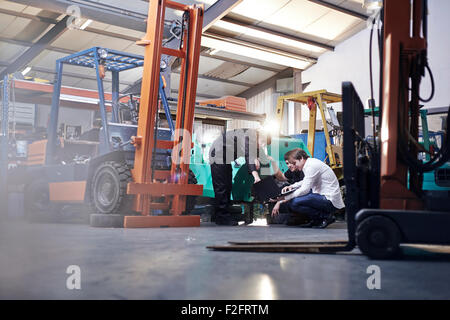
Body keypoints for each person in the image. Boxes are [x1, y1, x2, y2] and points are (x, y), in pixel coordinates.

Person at [209, 128, 272, 226]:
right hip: (218, 155)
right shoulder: (250, 135)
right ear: (260, 135)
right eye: (262, 142)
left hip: (225, 158)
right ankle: (221, 217)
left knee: (228, 185)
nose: (261, 145)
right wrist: (256, 177)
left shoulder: (254, 142)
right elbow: (249, 155)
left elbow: (258, 157)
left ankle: (220, 214)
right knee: (222, 186)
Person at [272, 148, 344, 228]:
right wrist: (292, 186)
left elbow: (304, 190)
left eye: (295, 163)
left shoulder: (311, 166)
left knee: (295, 202)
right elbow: (306, 181)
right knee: (294, 202)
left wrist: (284, 198)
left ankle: (325, 217)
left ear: (301, 158)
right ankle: (318, 220)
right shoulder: (309, 164)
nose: (294, 165)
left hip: (329, 200)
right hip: (323, 197)